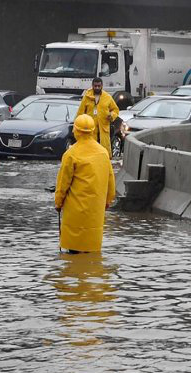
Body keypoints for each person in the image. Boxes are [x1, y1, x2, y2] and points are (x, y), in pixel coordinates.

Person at [55, 114, 116, 253]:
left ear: (76, 131)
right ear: (93, 131)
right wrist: (108, 201)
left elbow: (62, 184)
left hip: (75, 212)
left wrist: (58, 203)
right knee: (91, 250)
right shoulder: (103, 152)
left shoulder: (71, 154)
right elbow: (110, 180)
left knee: (74, 252)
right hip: (96, 211)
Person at [76, 77, 119, 158]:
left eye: (99, 86)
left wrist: (111, 115)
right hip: (90, 128)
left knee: (104, 152)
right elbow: (80, 112)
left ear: (102, 86)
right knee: (90, 151)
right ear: (92, 85)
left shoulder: (107, 97)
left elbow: (115, 110)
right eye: (95, 86)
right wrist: (77, 127)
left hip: (104, 128)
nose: (97, 88)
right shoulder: (87, 97)